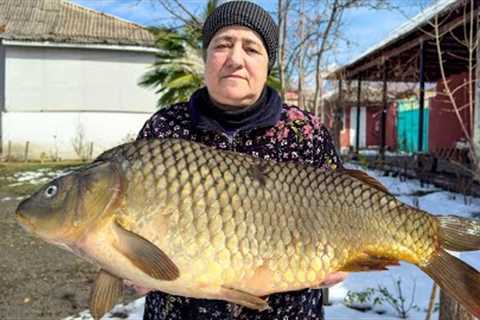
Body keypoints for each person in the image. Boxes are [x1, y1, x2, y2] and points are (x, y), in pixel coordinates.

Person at [136, 1, 347, 319]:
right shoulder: (164, 129)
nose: (235, 59)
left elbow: (343, 210)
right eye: (222, 45)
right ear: (206, 57)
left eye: (251, 48)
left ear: (268, 64)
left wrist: (343, 256)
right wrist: (127, 265)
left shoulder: (307, 133)